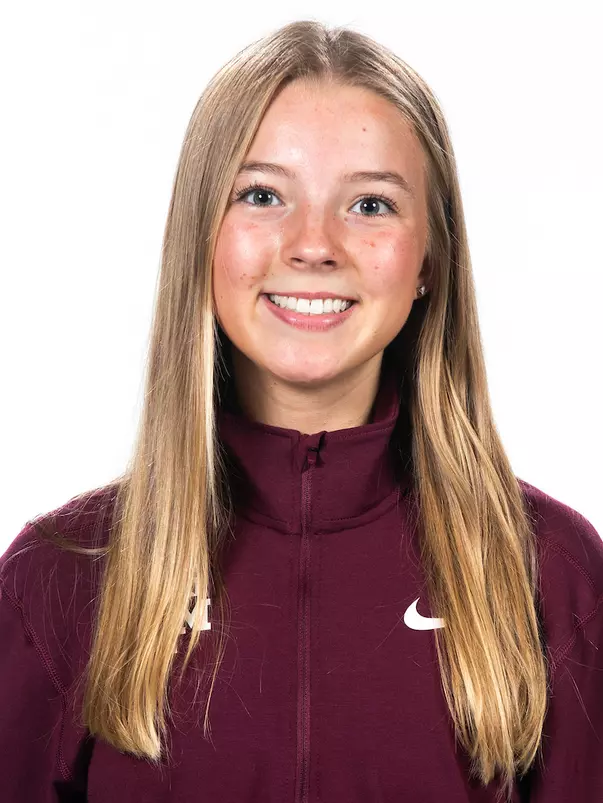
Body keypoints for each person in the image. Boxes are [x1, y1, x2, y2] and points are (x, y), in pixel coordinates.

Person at [1, 19, 602, 803]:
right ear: (201, 240)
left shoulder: (548, 574)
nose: (313, 244)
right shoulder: (60, 578)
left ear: (429, 258)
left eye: (370, 204)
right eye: (261, 195)